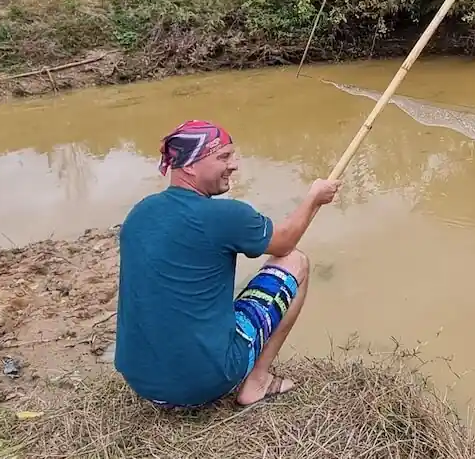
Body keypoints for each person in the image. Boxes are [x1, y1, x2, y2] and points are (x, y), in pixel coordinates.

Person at [113, 119, 341, 408]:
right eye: (223, 157)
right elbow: (284, 242)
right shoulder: (225, 215)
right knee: (296, 261)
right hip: (201, 385)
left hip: (142, 382)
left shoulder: (140, 212)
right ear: (190, 165)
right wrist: (314, 199)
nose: (234, 165)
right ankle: (257, 382)